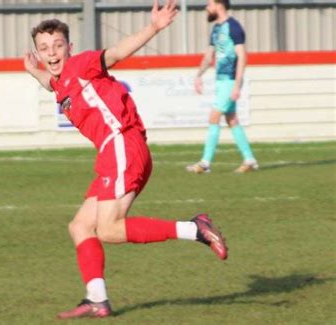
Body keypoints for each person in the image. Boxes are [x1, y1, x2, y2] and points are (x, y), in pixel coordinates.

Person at [24, 0, 228, 319]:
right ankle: (97, 299)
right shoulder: (61, 81)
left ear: (70, 48)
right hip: (118, 151)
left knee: (107, 229)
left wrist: (154, 27)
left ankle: (194, 228)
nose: (51, 53)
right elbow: (51, 83)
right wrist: (33, 70)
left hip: (121, 143)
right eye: (44, 48)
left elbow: (116, 53)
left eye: (57, 46)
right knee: (81, 226)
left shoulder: (81, 65)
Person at [187, 0, 258, 174]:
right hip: (220, 81)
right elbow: (209, 55)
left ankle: (205, 163)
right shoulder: (216, 29)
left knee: (214, 118)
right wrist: (198, 75)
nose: (206, 7)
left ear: (219, 5)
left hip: (229, 81)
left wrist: (237, 85)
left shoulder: (233, 27)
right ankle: (249, 160)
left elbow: (242, 57)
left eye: (209, 4)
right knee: (231, 119)